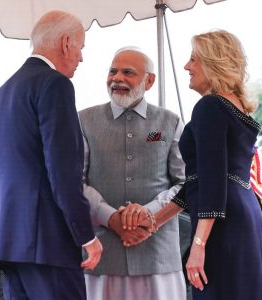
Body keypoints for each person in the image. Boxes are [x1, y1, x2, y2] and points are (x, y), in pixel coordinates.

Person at [0, 10, 102, 299]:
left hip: (9, 239)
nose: (81, 58)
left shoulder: (5, 90)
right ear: (66, 43)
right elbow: (63, 172)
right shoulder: (55, 85)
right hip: (48, 242)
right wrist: (85, 235)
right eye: (81, 48)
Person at [141, 30, 262, 300]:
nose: (187, 66)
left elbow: (211, 181)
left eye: (193, 60)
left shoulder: (210, 106)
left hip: (223, 224)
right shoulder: (236, 108)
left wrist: (198, 245)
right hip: (243, 213)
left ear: (213, 62)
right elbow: (200, 181)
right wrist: (154, 221)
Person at [79, 47, 186, 300]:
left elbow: (186, 182)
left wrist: (147, 214)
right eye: (113, 71)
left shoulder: (169, 121)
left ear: (149, 81)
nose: (117, 78)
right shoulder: (83, 120)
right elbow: (75, 182)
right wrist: (111, 218)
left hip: (158, 256)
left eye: (128, 72)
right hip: (103, 256)